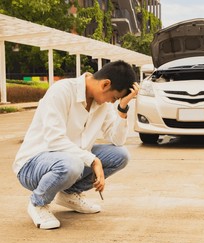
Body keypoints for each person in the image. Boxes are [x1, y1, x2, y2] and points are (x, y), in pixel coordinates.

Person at [13, 60, 140, 229]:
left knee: (120, 155)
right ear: (105, 84)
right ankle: (38, 203)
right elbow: (55, 140)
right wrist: (93, 160)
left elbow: (117, 140)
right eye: (114, 98)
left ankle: (69, 194)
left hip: (71, 163)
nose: (111, 102)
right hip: (32, 165)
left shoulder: (101, 103)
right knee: (73, 163)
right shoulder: (62, 91)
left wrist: (123, 107)